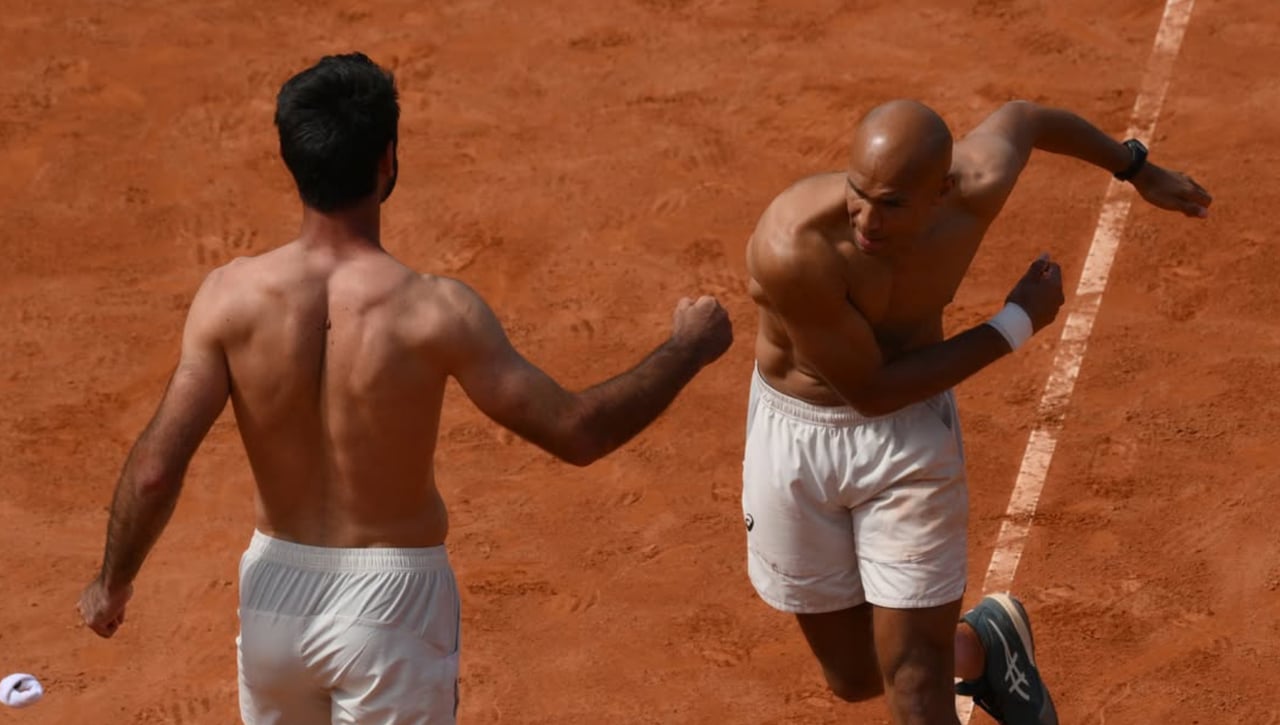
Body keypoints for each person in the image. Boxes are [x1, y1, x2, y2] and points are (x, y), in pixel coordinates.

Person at [77, 52, 733, 724]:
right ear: (387, 159)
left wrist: (112, 581)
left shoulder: (227, 298)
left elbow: (156, 470)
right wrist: (688, 348)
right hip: (391, 605)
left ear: (292, 160)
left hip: (272, 593)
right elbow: (578, 430)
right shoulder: (435, 311)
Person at [741, 98, 1211, 725]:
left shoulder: (979, 185)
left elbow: (1029, 119)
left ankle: (941, 653)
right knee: (856, 678)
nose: (868, 220)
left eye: (893, 204)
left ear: (942, 192)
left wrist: (1135, 168)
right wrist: (1016, 323)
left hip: (907, 439)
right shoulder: (794, 246)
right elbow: (871, 389)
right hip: (801, 436)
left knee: (913, 681)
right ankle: (980, 644)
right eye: (859, 192)